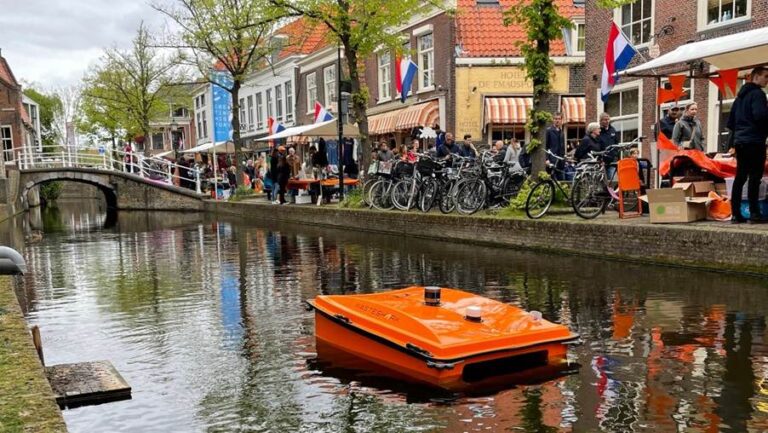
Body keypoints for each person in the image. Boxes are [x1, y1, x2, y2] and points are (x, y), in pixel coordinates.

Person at [728, 66, 768, 223]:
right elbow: (760, 116)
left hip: (741, 142)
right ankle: (754, 213)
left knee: (740, 177)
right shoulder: (758, 94)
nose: (767, 80)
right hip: (754, 141)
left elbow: (731, 123)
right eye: (765, 76)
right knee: (755, 177)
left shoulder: (739, 98)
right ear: (755, 77)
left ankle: (735, 214)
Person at [597, 112, 619, 179]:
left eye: (608, 119)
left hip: (612, 160)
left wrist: (615, 155)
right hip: (601, 161)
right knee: (601, 180)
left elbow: (616, 143)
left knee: (611, 180)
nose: (607, 121)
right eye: (605, 120)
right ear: (600, 121)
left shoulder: (613, 130)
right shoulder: (598, 131)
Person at [545, 112, 566, 179]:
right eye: (555, 119)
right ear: (553, 120)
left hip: (560, 161)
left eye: (559, 119)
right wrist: (546, 159)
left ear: (561, 120)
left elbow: (563, 147)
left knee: (561, 181)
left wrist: (564, 157)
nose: (557, 120)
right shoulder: (548, 131)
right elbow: (546, 146)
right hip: (552, 160)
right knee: (551, 180)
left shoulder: (562, 132)